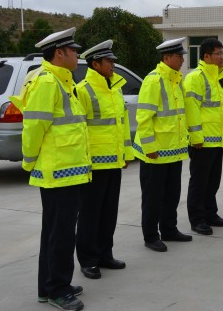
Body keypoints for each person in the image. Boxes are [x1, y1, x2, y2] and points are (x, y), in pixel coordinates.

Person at [10, 27, 89, 311]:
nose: (78, 55)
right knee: (60, 233)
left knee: (58, 231)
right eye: (74, 51)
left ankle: (53, 285)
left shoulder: (63, 81)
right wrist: (29, 162)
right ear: (60, 53)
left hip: (69, 171)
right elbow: (33, 128)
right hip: (57, 173)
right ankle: (57, 290)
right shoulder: (47, 83)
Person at [75, 40, 133, 279]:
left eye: (113, 61)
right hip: (94, 165)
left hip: (114, 162)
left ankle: (105, 254)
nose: (113, 66)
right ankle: (88, 260)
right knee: (90, 214)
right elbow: (80, 130)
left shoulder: (115, 89)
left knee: (109, 212)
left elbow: (122, 125)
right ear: (95, 63)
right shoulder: (83, 90)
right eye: (109, 62)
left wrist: (126, 155)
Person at [133, 37, 192, 252]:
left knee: (172, 194)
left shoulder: (176, 80)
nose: (183, 61)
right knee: (152, 197)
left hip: (174, 151)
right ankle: (150, 235)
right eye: (179, 57)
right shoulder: (154, 80)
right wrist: (149, 148)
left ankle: (169, 229)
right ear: (167, 58)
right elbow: (144, 117)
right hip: (156, 152)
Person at [184, 38, 223, 235]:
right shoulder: (195, 77)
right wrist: (196, 138)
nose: (221, 58)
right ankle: (197, 219)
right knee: (199, 182)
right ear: (206, 56)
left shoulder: (217, 77)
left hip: (217, 139)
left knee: (213, 181)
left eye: (222, 54)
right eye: (218, 54)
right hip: (202, 142)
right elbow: (191, 110)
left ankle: (211, 214)